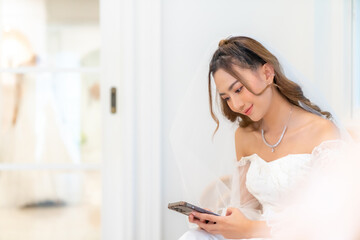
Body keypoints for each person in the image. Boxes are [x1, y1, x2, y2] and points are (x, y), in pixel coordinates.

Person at [175, 36, 351, 240]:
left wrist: (252, 229)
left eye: (238, 90)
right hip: (256, 234)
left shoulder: (321, 132)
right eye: (227, 98)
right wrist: (221, 221)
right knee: (193, 237)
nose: (236, 105)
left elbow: (333, 219)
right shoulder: (244, 137)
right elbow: (247, 209)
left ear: (267, 73)